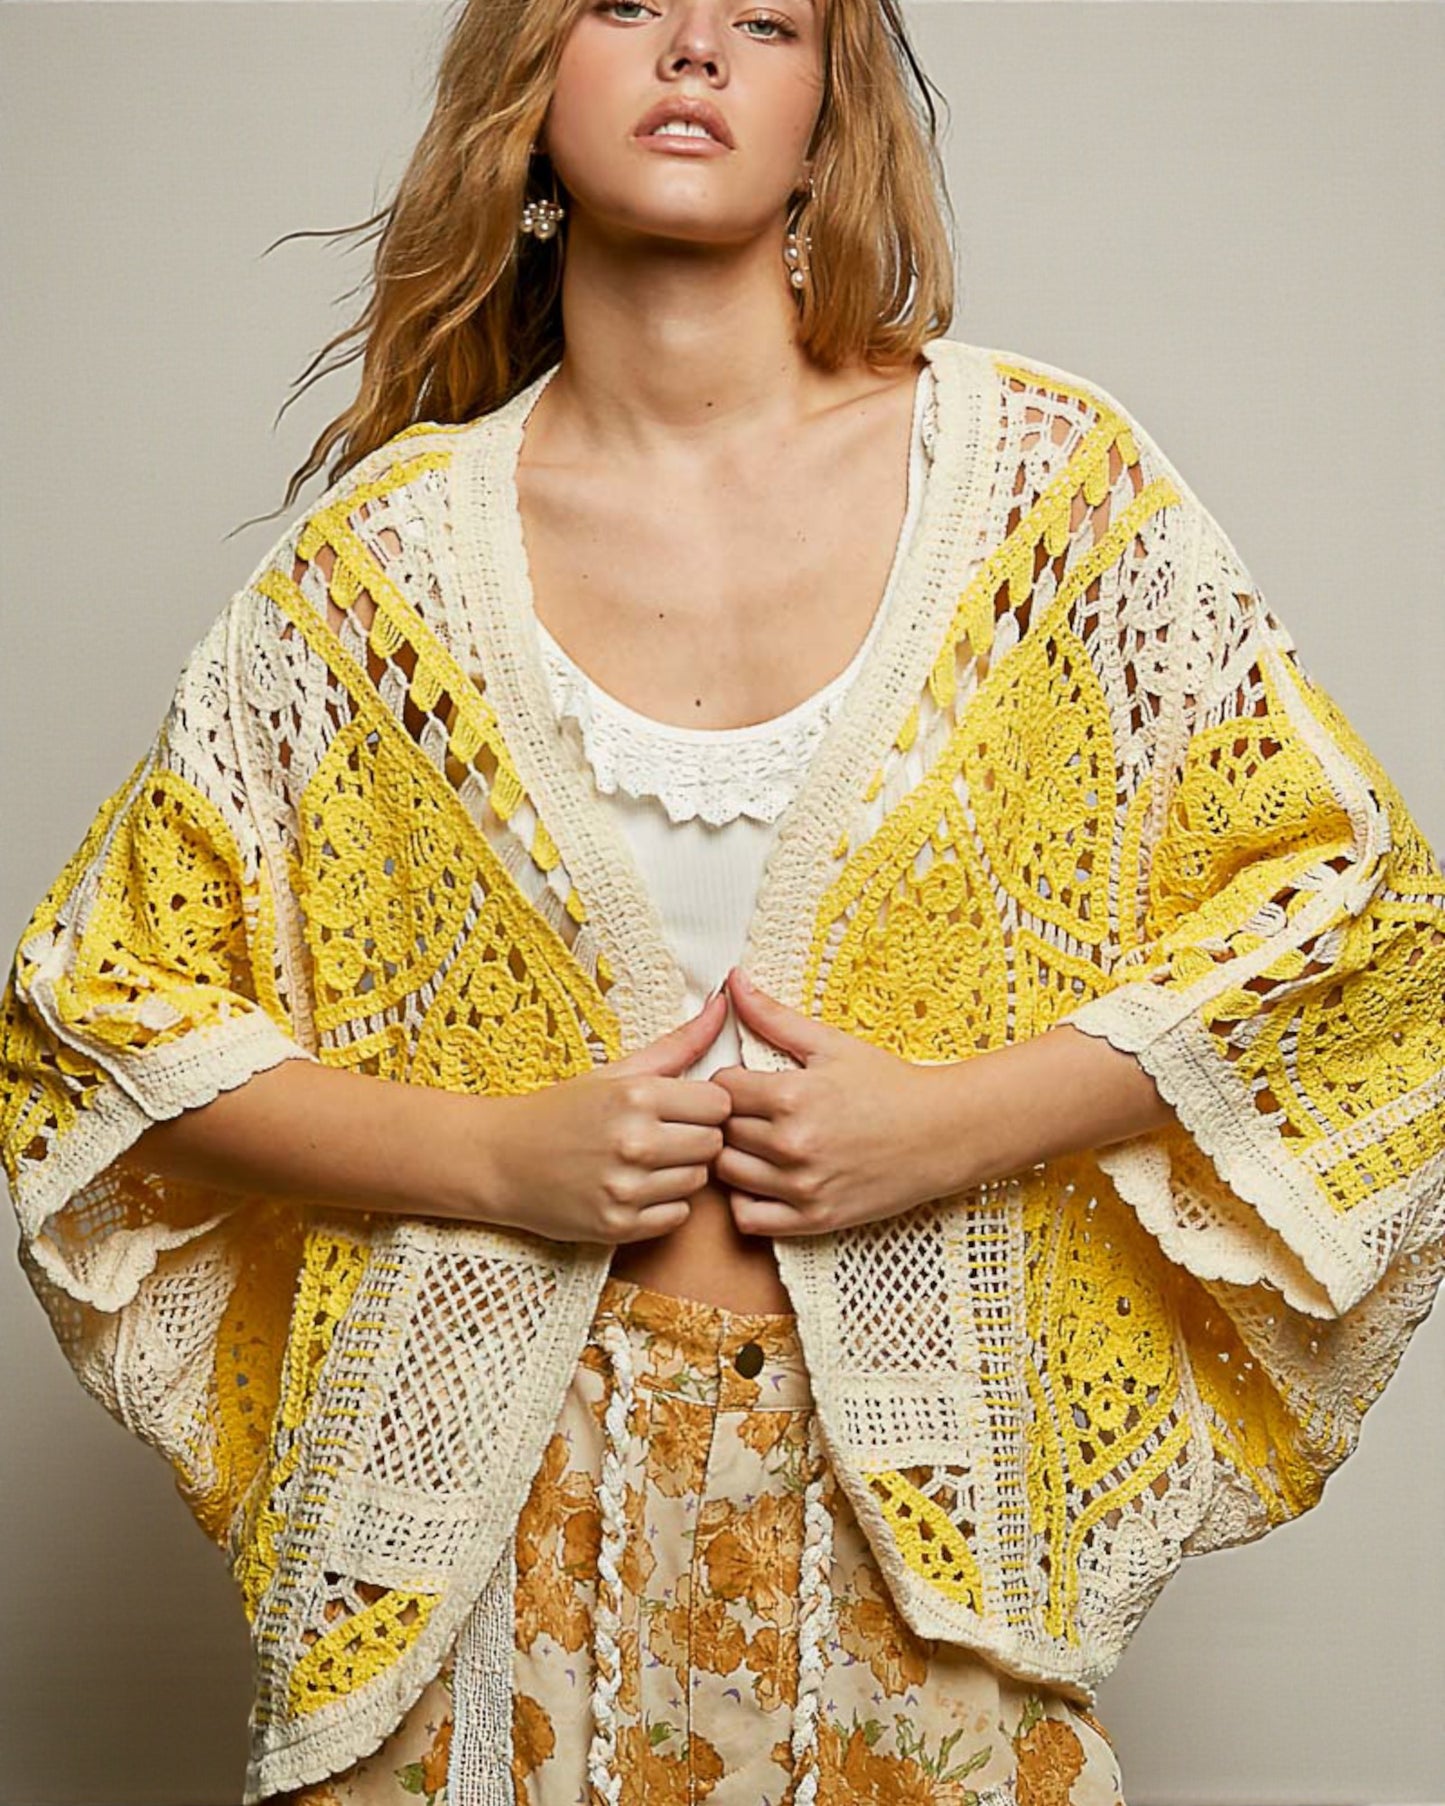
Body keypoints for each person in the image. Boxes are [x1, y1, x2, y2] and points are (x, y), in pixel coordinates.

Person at [2, 0, 1442, 1801]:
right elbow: (86, 1031)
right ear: (528, 96)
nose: (693, 51)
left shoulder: (1047, 502)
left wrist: (944, 1125)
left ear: (826, 120)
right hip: (465, 1540)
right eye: (628, 6)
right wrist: (492, 1158)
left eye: (760, 20)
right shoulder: (374, 581)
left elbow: (1355, 926)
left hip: (922, 1546)